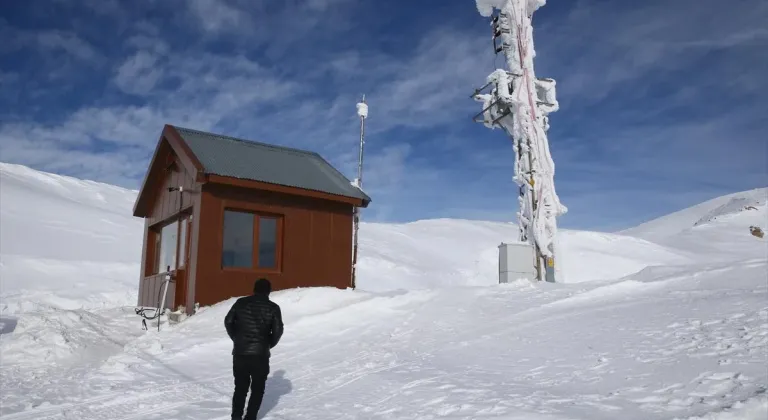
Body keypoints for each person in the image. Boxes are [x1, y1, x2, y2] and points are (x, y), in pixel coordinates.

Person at [224, 278, 284, 420]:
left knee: (240, 388)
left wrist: (237, 339)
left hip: (240, 353)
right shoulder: (273, 308)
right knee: (257, 389)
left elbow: (228, 321)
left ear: (254, 289)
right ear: (269, 291)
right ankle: (250, 417)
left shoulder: (240, 303)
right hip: (260, 355)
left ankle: (236, 417)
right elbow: (278, 330)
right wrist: (268, 344)